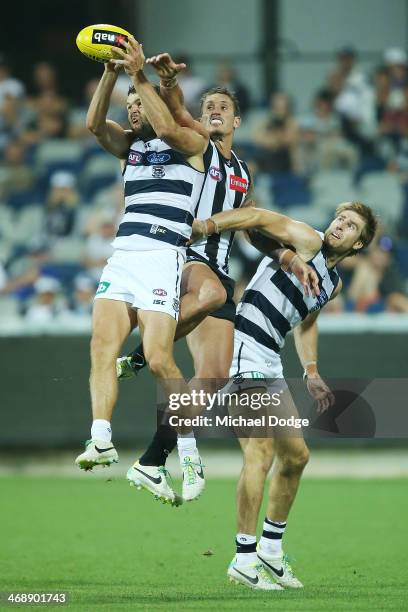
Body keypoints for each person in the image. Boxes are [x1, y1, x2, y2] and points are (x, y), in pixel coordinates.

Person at [116, 53, 319, 504]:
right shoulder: (196, 145)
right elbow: (176, 115)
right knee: (209, 293)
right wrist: (164, 82)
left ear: (238, 120)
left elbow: (250, 230)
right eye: (208, 105)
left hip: (219, 269)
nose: (214, 110)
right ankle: (144, 352)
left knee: (210, 379)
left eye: (223, 107)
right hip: (184, 257)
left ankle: (151, 460)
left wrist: (287, 255)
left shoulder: (243, 172)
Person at [190, 200, 378, 589]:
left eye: (351, 225)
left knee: (296, 456)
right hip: (241, 349)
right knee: (259, 452)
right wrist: (207, 226)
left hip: (270, 360)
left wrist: (310, 370)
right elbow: (256, 220)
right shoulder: (307, 241)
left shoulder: (333, 282)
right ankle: (243, 558)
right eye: (340, 218)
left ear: (359, 245)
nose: (340, 225)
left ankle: (271, 555)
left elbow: (307, 322)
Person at [74, 37, 210, 503]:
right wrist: (111, 72)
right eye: (130, 106)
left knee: (157, 358)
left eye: (140, 104)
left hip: (161, 257)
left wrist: (139, 76)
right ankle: (101, 438)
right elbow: (94, 124)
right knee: (101, 347)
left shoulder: (193, 145)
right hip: (124, 257)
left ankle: (187, 449)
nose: (134, 110)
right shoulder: (130, 147)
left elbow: (171, 129)